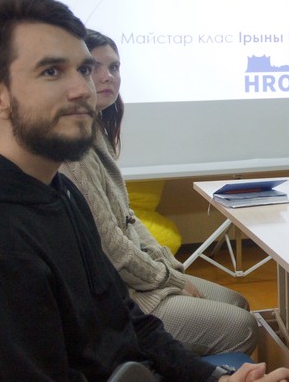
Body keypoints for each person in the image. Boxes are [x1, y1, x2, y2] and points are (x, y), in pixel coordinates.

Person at [0, 0, 289, 382]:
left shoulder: (60, 192)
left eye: (83, 70)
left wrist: (213, 379)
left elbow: (127, 320)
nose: (84, 89)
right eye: (51, 71)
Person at [60, 29, 258, 356]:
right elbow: (112, 248)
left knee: (236, 301)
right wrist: (170, 280)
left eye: (115, 67)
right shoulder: (72, 152)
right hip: (121, 297)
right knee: (242, 325)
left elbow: (127, 219)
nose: (108, 76)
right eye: (93, 67)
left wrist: (167, 268)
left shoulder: (95, 131)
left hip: (139, 281)